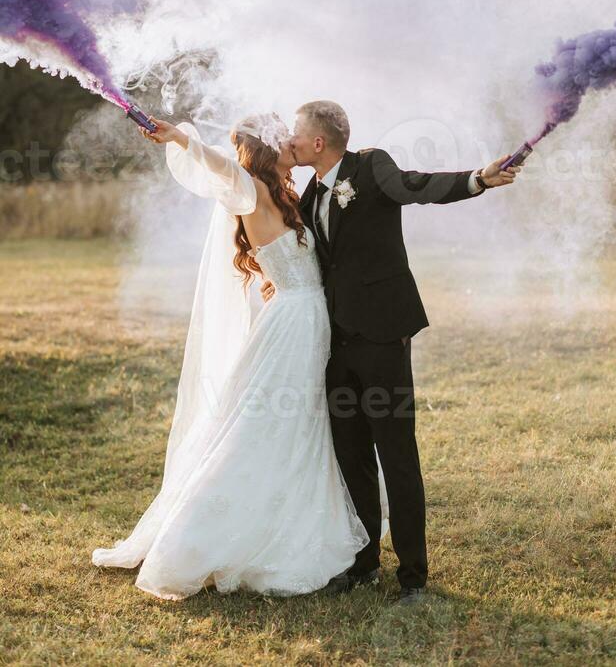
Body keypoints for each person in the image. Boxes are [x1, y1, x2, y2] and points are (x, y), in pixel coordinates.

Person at [91, 112, 368, 599]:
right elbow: (222, 167)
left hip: (307, 321)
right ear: (265, 149)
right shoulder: (252, 190)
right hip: (292, 325)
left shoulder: (284, 193)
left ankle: (287, 515)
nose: (293, 143)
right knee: (266, 423)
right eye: (283, 139)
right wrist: (178, 136)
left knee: (298, 422)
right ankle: (203, 537)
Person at [262, 100, 521, 604]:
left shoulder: (371, 165)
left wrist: (478, 179)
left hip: (382, 337)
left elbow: (417, 186)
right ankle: (364, 563)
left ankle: (414, 577)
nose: (287, 141)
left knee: (397, 456)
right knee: (351, 455)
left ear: (318, 142)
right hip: (334, 345)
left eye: (294, 134)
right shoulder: (310, 190)